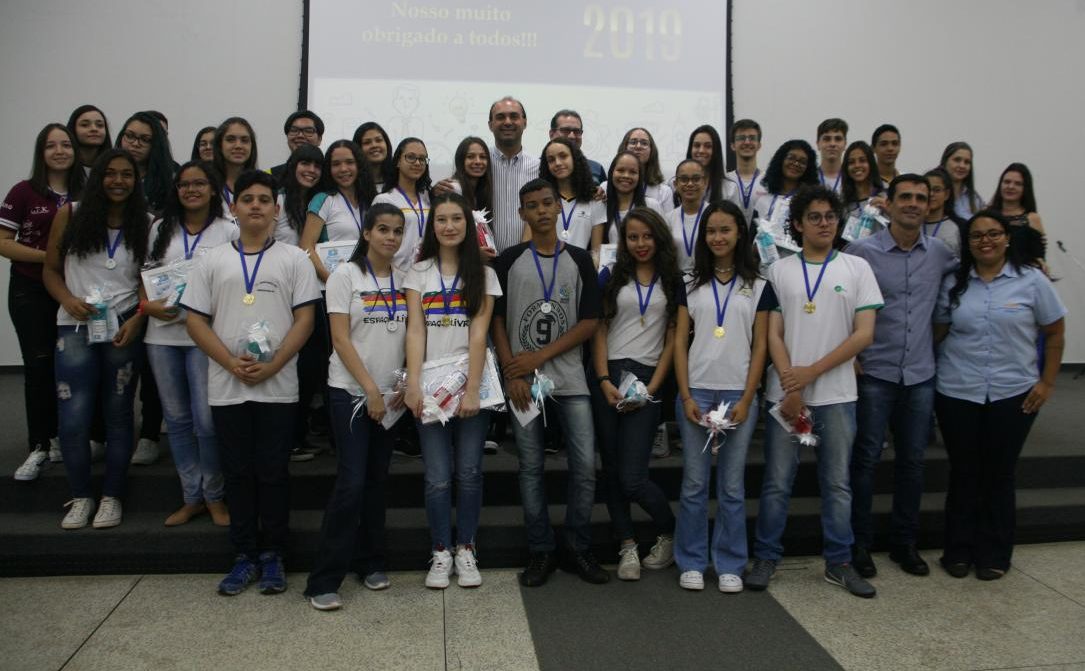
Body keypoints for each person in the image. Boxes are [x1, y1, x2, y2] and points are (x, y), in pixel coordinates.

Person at [182, 170, 320, 596]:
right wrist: (229, 361)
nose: (256, 205)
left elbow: (305, 319)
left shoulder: (295, 259)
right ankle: (244, 555)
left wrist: (274, 364)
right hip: (228, 385)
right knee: (238, 473)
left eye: (264, 200)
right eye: (248, 199)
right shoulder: (211, 260)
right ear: (233, 208)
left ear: (277, 210)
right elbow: (194, 320)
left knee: (273, 472)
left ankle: (274, 554)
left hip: (278, 386)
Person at [746, 185, 883, 598]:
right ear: (798, 224)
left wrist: (811, 374)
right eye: (815, 217)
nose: (824, 223)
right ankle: (766, 557)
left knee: (837, 484)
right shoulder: (779, 270)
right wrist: (792, 383)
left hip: (838, 396)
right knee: (777, 482)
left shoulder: (857, 268)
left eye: (830, 216)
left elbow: (864, 335)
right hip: (785, 397)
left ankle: (839, 562)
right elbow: (772, 334)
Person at [933, 211, 1066, 580]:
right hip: (957, 391)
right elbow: (938, 333)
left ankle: (994, 553)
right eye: (977, 235)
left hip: (1013, 393)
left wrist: (1047, 383)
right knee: (964, 472)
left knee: (999, 474)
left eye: (993, 234)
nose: (985, 241)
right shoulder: (954, 283)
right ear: (968, 243)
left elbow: (1055, 333)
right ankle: (958, 550)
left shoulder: (1032, 281)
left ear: (1007, 238)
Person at [491, 178, 609, 586]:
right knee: (530, 467)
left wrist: (538, 357)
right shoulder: (508, 260)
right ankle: (540, 550)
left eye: (547, 203)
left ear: (559, 207)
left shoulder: (579, 259)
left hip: (570, 379)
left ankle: (577, 546)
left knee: (585, 466)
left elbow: (590, 321)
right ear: (521, 213)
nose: (541, 211)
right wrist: (512, 371)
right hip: (522, 382)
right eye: (532, 205)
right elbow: (497, 321)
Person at [845, 175, 957, 579]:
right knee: (865, 461)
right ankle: (859, 544)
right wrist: (848, 355)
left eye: (920, 198)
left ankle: (904, 543)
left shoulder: (941, 253)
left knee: (912, 462)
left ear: (930, 205)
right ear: (888, 204)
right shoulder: (861, 252)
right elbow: (840, 302)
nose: (913, 203)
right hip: (875, 372)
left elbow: (972, 277)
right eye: (905, 197)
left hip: (920, 375)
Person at [305, 203, 407, 610]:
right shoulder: (345, 276)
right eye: (383, 229)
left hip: (391, 396)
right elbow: (340, 339)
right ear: (366, 233)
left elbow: (409, 337)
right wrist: (370, 390)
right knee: (351, 482)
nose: (390, 237)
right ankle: (323, 580)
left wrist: (400, 384)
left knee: (376, 480)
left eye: (397, 231)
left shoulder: (405, 277)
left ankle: (370, 562)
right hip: (351, 392)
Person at [42, 149, 150, 529]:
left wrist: (139, 319)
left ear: (136, 181)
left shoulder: (146, 222)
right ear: (98, 177)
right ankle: (81, 496)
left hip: (122, 326)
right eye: (111, 173)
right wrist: (67, 300)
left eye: (127, 175)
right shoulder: (70, 215)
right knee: (74, 416)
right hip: (74, 325)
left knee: (119, 414)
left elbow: (146, 280)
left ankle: (112, 496)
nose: (118, 181)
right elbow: (50, 270)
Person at [673, 200, 773, 593]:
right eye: (711, 231)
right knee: (694, 484)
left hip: (737, 392)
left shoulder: (759, 285)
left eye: (725, 230)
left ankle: (730, 561)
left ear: (740, 234)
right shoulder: (688, 283)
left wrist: (748, 398)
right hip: (697, 389)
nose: (717, 237)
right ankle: (692, 560)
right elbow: (679, 343)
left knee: (731, 486)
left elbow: (761, 346)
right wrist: (685, 396)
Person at [403, 192, 502, 589]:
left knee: (470, 473)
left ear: (469, 225)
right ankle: (441, 550)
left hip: (470, 382)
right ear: (433, 227)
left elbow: (479, 334)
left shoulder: (485, 275)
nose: (449, 226)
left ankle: (467, 548)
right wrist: (412, 384)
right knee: (438, 478)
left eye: (456, 219)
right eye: (441, 219)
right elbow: (415, 330)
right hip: (429, 387)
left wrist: (473, 389)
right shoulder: (418, 272)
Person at [143, 161, 237, 527]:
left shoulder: (228, 229)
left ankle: (214, 495)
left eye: (199, 183)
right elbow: (144, 275)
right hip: (162, 336)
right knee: (177, 420)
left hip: (206, 336)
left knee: (206, 421)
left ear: (213, 189)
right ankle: (191, 497)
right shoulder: (159, 227)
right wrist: (146, 305)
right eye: (184, 184)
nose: (192, 190)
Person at [591, 207, 680, 581]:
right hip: (609, 375)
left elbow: (673, 340)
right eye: (632, 237)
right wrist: (603, 380)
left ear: (658, 237)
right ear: (623, 241)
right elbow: (599, 329)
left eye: (647, 236)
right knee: (612, 470)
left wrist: (653, 387)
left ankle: (672, 531)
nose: (640, 243)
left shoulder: (672, 280)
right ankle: (627, 544)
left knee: (633, 477)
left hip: (647, 377)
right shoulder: (611, 275)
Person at [4, 124, 84, 480]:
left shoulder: (86, 191)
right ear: (41, 152)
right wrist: (49, 259)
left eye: (66, 144)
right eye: (51, 146)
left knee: (75, 369)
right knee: (39, 366)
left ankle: (69, 438)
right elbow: (3, 242)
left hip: (76, 289)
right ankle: (39, 444)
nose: (60, 151)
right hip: (31, 289)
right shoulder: (24, 191)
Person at [300, 140, 376, 283]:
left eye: (349, 162)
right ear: (328, 169)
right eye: (336, 164)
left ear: (359, 165)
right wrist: (331, 281)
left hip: (366, 282)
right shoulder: (323, 199)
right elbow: (306, 246)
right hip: (332, 283)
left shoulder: (368, 201)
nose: (343, 169)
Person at [373, 137, 432, 269]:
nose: (417, 163)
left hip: (426, 273)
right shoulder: (384, 200)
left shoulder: (429, 198)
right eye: (411, 157)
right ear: (398, 161)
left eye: (422, 159)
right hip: (395, 273)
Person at [538, 137, 604, 254]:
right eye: (551, 160)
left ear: (575, 158)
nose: (557, 163)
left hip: (580, 264)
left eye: (563, 156)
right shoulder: (541, 198)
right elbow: (527, 243)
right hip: (543, 264)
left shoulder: (595, 198)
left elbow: (596, 252)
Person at [988, 163, 1047, 266]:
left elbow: (1039, 259)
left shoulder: (1032, 218)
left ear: (1025, 188)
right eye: (1007, 182)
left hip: (1022, 274)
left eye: (1018, 184)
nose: (1011, 186)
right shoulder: (987, 215)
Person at [116, 111, 174, 213]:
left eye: (145, 140)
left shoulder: (170, 180)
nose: (135, 144)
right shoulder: (105, 172)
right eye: (130, 136)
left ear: (157, 144)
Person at [750, 140, 818, 228]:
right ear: (780, 160)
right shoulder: (763, 201)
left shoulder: (809, 202)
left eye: (802, 162)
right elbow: (753, 234)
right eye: (791, 158)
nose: (796, 163)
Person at [604, 151, 662, 244]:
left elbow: (663, 242)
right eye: (621, 170)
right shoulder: (602, 204)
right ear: (611, 173)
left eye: (633, 172)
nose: (626, 175)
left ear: (640, 177)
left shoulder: (652, 205)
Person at [274, 145, 323, 246]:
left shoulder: (319, 203)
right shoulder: (277, 200)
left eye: (317, 166)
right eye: (305, 163)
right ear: (292, 166)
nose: (312, 170)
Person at [616, 128, 673, 212]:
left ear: (652, 151)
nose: (638, 146)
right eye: (633, 142)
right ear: (624, 147)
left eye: (644, 143)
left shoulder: (664, 192)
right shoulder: (605, 188)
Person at [666, 159, 709, 273]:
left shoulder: (714, 215)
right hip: (677, 279)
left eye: (696, 179)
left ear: (705, 182)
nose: (690, 184)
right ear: (675, 184)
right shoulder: (668, 219)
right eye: (684, 179)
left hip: (708, 278)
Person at [548, 109, 606, 184]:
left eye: (577, 131)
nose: (572, 136)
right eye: (565, 130)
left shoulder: (596, 169)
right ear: (552, 134)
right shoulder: (537, 167)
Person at [685, 124, 738, 205]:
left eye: (708, 146)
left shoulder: (730, 188)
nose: (701, 150)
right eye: (697, 145)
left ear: (716, 151)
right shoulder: (677, 184)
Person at [212, 117, 259, 209]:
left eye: (244, 140)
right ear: (219, 145)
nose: (238, 146)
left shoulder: (262, 185)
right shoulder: (208, 185)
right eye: (230, 139)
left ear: (252, 146)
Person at [726, 119, 764, 225]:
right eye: (741, 138)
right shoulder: (725, 180)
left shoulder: (769, 181)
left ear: (759, 145)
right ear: (732, 145)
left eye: (752, 138)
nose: (747, 142)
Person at [269, 111, 324, 183]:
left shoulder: (329, 175)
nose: (300, 135)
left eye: (308, 131)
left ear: (319, 139)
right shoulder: (269, 175)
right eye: (294, 130)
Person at [923, 168, 964, 257]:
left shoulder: (961, 226)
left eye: (937, 190)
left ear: (947, 194)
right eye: (927, 189)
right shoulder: (912, 224)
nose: (931, 194)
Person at [448, 136, 493, 214]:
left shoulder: (482, 190)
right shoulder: (454, 189)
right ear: (460, 160)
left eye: (482, 157)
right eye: (470, 157)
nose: (478, 161)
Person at [940, 142, 985, 219]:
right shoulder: (933, 193)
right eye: (957, 160)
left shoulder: (976, 200)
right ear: (945, 161)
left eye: (967, 162)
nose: (962, 166)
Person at [840, 141, 885, 216]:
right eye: (851, 162)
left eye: (862, 160)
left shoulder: (885, 196)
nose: (857, 165)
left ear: (871, 164)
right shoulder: (842, 203)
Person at [67, 105, 112, 172]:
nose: (94, 129)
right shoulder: (64, 168)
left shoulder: (113, 167)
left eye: (100, 125)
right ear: (73, 129)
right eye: (85, 125)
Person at [352, 122, 394, 191]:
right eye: (367, 142)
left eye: (379, 140)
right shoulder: (351, 185)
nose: (374, 145)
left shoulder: (398, 181)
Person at [815, 118, 848, 194]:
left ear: (845, 144)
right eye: (827, 139)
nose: (832, 144)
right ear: (818, 144)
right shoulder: (809, 179)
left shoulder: (852, 179)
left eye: (838, 139)